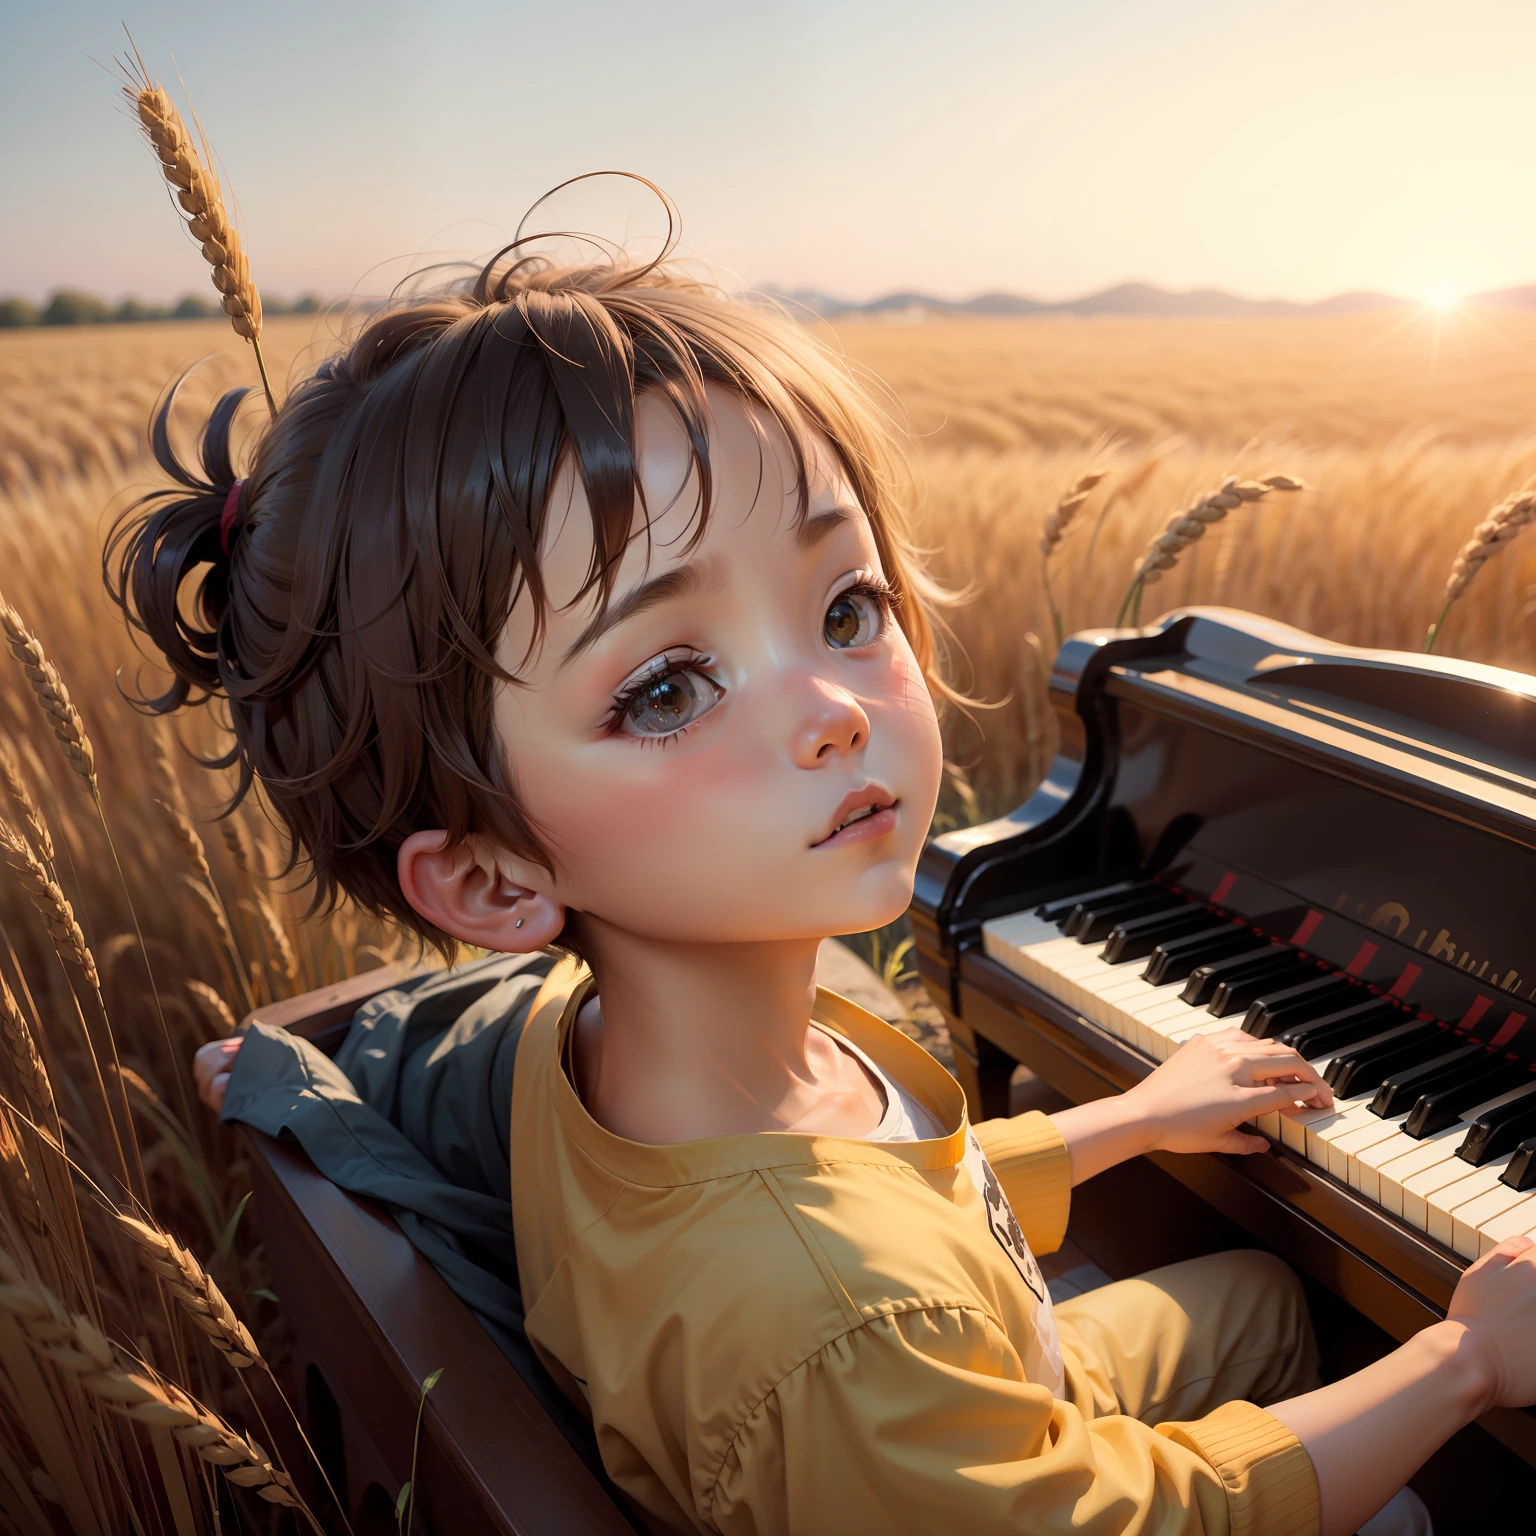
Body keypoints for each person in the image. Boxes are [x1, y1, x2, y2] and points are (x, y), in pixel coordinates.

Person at [124, 202, 1536, 1536]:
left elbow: (889, 1188)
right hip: (968, 1452)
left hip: (945, 1371)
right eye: (671, 688)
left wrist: (1122, 1123)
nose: (834, 707)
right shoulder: (835, 1331)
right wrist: (1468, 1362)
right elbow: (1153, 1511)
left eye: (846, 605)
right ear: (495, 885)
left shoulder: (610, 1039)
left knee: (1263, 1295)